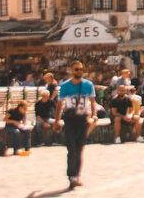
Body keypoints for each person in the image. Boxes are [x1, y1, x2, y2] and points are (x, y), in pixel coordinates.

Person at [53, 60, 98, 190]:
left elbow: (92, 101)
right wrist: (57, 120)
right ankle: (71, 176)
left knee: (79, 150)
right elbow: (60, 105)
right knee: (71, 149)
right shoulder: (65, 86)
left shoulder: (88, 85)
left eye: (80, 69)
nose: (79, 71)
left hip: (83, 119)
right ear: (71, 71)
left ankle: (77, 175)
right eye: (76, 69)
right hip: (70, 119)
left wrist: (94, 115)